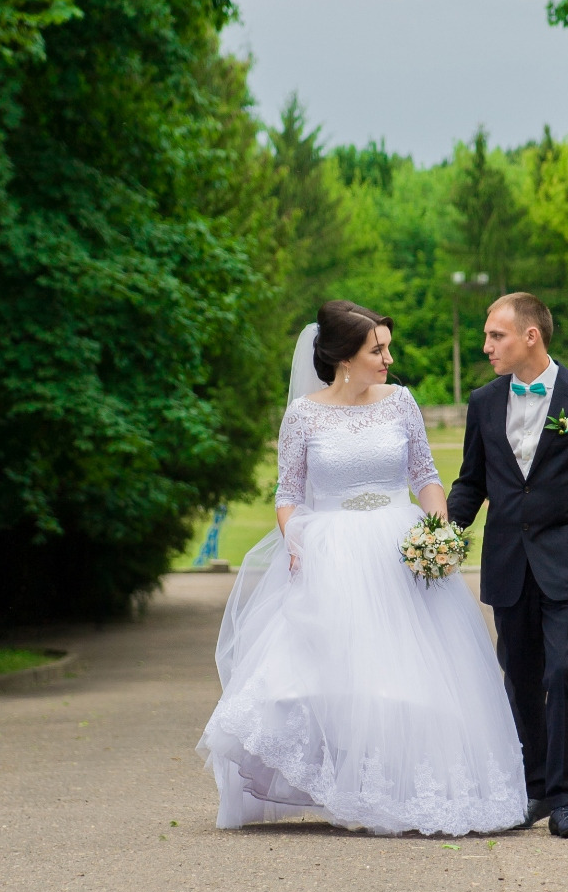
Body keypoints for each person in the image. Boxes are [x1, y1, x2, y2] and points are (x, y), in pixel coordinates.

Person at [199, 301, 528, 835]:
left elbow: (425, 474)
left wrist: (437, 528)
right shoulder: (303, 414)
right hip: (331, 549)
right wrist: (295, 534)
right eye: (377, 349)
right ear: (343, 357)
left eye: (386, 347)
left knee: (409, 673)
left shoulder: (400, 402)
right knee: (337, 675)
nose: (388, 358)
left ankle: (403, 788)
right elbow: (288, 491)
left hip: (398, 547)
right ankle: (348, 785)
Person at [447, 293, 568, 842]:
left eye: (495, 336)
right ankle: (533, 790)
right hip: (508, 564)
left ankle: (567, 800)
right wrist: (438, 538)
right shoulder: (482, 402)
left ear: (531, 336)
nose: (486, 347)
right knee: (522, 679)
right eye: (485, 336)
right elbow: (471, 482)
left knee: (563, 671)